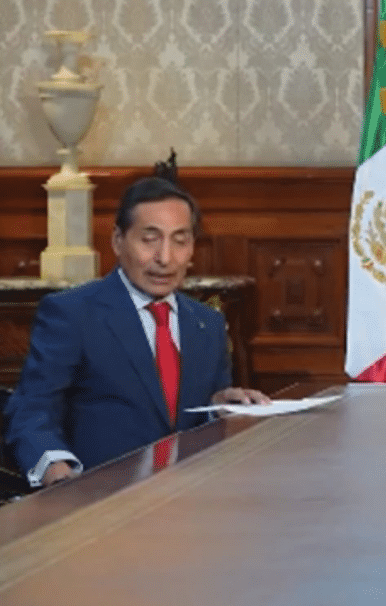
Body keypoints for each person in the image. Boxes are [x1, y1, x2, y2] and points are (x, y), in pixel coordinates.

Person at [3, 176, 270, 487]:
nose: (165, 258)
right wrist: (58, 476)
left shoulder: (207, 323)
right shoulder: (73, 314)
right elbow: (31, 412)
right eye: (149, 239)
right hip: (99, 504)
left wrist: (223, 406)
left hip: (190, 504)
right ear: (118, 241)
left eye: (180, 240)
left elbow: (197, 421)